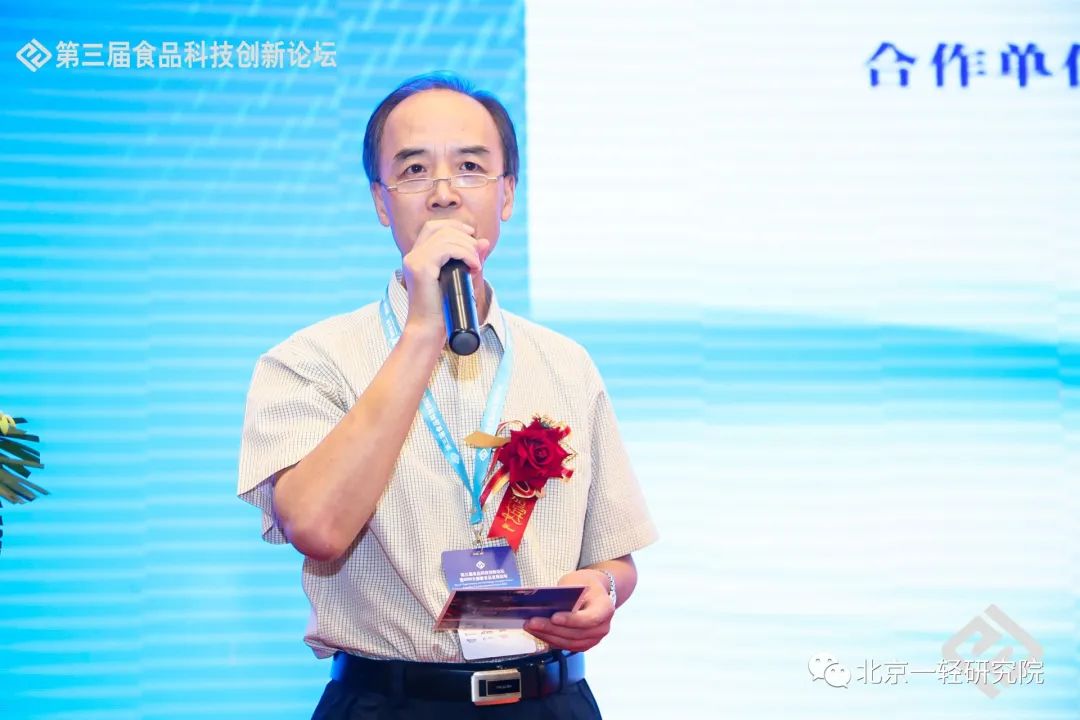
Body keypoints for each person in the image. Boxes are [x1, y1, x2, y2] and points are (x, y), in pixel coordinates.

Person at [237, 72, 657, 719]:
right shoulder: (310, 361)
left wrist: (601, 587)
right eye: (413, 169)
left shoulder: (565, 364)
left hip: (551, 701)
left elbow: (613, 554)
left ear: (506, 193)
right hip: (388, 702)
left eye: (470, 167)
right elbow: (316, 528)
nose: (443, 193)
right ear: (381, 202)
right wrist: (422, 332)